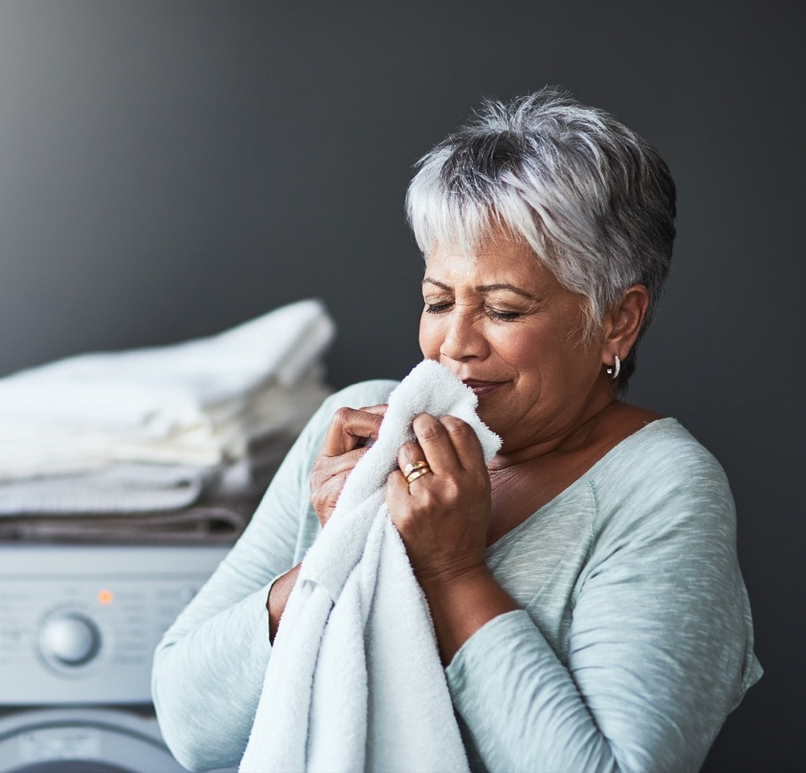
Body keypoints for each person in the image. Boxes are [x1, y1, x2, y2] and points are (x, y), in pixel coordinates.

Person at [151, 88, 761, 772]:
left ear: (616, 320)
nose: (454, 344)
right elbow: (188, 724)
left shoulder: (662, 488)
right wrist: (337, 544)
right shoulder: (360, 430)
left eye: (503, 309)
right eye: (438, 300)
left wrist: (453, 571)